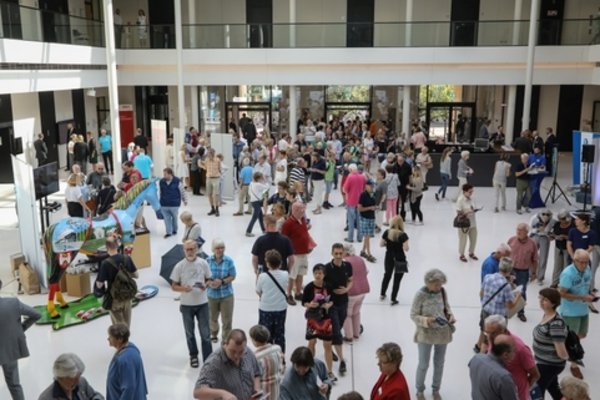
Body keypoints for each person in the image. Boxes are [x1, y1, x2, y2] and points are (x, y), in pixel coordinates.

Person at [410, 269, 455, 400]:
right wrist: (426, 320)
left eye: (440, 284)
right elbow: (413, 315)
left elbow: (447, 307)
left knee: (439, 363)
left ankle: (436, 389)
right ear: (428, 282)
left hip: (442, 333)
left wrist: (450, 316)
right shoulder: (420, 295)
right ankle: (419, 390)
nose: (439, 287)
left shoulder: (442, 291)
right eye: (436, 284)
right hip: (425, 334)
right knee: (423, 364)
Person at [170, 240, 213, 368]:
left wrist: (206, 284)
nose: (190, 252)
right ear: (184, 251)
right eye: (187, 249)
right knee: (189, 332)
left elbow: (209, 279)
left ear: (197, 249)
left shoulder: (203, 263)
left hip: (202, 303)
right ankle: (193, 355)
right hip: (186, 305)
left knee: (205, 333)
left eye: (192, 249)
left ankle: (208, 358)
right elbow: (173, 286)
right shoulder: (179, 266)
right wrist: (183, 289)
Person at [0, 279, 41, 400]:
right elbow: (36, 314)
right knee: (14, 384)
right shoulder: (13, 303)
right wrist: (20, 329)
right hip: (9, 350)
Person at [482, 315, 539, 400]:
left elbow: (535, 375)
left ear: (503, 330)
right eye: (487, 332)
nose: (489, 336)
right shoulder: (492, 339)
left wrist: (521, 391)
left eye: (493, 333)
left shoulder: (520, 348)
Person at [193, 329, 262, 400]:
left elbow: (256, 373)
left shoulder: (247, 352)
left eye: (241, 352)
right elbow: (198, 392)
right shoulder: (214, 363)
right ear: (225, 344)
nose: (237, 356)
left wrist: (257, 389)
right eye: (233, 351)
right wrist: (223, 393)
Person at [558, 249, 594, 379]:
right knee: (573, 339)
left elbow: (586, 284)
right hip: (570, 311)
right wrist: (581, 297)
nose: (584, 265)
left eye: (586, 262)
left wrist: (589, 295)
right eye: (582, 262)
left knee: (581, 334)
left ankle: (561, 346)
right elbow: (561, 293)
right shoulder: (568, 274)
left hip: (583, 309)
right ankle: (574, 364)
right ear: (575, 260)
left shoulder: (587, 269)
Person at [476, 258, 521, 354]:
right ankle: (492, 357)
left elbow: (481, 293)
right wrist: (517, 296)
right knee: (497, 339)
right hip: (498, 317)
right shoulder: (506, 286)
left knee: (486, 336)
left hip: (486, 311)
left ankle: (481, 356)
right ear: (509, 270)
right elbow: (510, 306)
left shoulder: (487, 277)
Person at [533, 288, 569, 399]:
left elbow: (561, 352)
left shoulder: (556, 324)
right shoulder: (547, 315)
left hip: (549, 365)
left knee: (537, 391)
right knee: (553, 388)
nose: (541, 301)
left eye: (545, 300)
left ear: (553, 303)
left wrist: (567, 357)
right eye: (541, 298)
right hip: (545, 362)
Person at [95, 234, 139, 327]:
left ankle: (121, 340)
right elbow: (136, 275)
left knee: (118, 327)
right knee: (127, 324)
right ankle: (126, 339)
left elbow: (99, 285)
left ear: (106, 248)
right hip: (127, 296)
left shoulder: (105, 263)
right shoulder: (127, 258)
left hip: (114, 298)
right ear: (118, 245)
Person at [324, 243, 353, 378]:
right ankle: (342, 360)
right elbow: (322, 286)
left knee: (340, 325)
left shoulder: (348, 266)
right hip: (332, 304)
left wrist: (347, 289)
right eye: (336, 253)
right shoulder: (326, 268)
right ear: (332, 253)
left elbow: (351, 280)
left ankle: (335, 345)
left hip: (344, 302)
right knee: (336, 330)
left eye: (340, 253)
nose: (338, 256)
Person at [302, 264, 335, 381]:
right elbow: (304, 302)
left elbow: (332, 300)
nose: (318, 275)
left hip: (325, 318)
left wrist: (328, 304)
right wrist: (310, 304)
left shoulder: (329, 286)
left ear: (324, 274)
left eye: (320, 273)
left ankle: (330, 371)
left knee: (328, 345)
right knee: (311, 342)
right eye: (316, 273)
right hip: (312, 318)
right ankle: (310, 367)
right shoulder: (309, 287)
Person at [255, 250, 289, 353]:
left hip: (266, 308)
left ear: (267, 263)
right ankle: (281, 358)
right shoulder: (285, 274)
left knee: (265, 335)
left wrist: (257, 276)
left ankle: (266, 357)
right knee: (279, 334)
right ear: (280, 262)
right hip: (280, 308)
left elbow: (258, 291)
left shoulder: (262, 276)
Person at [281, 201, 315, 302]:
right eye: (301, 209)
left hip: (304, 253)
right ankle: (289, 294)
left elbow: (304, 234)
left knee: (301, 274)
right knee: (292, 276)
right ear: (295, 210)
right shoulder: (288, 224)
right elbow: (284, 239)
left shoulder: (303, 220)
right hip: (294, 255)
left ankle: (298, 293)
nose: (303, 211)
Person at [468, 334, 519, 400]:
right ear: (505, 354)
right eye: (514, 351)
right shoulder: (504, 377)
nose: (515, 354)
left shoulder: (477, 357)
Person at [106, 323, 148, 400]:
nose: (108, 339)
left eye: (111, 337)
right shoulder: (132, 350)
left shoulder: (125, 360)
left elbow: (129, 388)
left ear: (120, 339)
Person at [206, 239, 236, 343]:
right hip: (211, 295)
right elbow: (204, 276)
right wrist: (209, 282)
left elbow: (233, 276)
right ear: (213, 249)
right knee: (212, 317)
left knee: (227, 320)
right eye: (217, 248)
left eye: (222, 247)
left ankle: (226, 339)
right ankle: (213, 333)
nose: (220, 250)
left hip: (226, 295)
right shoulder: (207, 261)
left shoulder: (229, 261)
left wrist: (222, 281)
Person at [38, 353, 104, 400]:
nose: (77, 381)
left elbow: (96, 395)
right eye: (73, 378)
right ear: (60, 377)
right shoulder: (46, 398)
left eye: (79, 376)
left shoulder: (82, 382)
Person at [508, 223, 539, 322]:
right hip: (511, 270)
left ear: (526, 232)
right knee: (508, 290)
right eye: (517, 229)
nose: (518, 232)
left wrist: (534, 273)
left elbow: (535, 259)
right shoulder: (511, 240)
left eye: (520, 230)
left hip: (523, 271)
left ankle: (521, 312)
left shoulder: (532, 243)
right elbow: (506, 254)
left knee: (521, 291)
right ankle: (508, 309)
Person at [249, 325, 285, 400]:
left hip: (264, 393)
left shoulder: (255, 358)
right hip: (277, 389)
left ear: (254, 340)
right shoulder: (278, 349)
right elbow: (282, 366)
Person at [342, 243, 369, 342]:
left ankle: (349, 336)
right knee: (356, 313)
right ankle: (356, 333)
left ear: (345, 251)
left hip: (351, 292)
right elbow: (366, 272)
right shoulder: (360, 259)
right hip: (363, 291)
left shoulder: (345, 262)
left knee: (347, 314)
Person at [380, 215, 409, 306]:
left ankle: (382, 293)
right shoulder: (403, 235)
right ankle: (393, 298)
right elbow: (406, 248)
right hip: (400, 258)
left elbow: (381, 244)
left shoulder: (387, 232)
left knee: (387, 274)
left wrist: (388, 245)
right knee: (397, 279)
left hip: (389, 256)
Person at [159, 167, 188, 239]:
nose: (164, 176)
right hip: (164, 204)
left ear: (170, 174)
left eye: (165, 174)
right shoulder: (161, 181)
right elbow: (160, 192)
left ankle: (175, 230)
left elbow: (182, 191)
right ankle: (169, 232)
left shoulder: (177, 181)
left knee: (174, 218)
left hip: (174, 204)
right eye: (163, 174)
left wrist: (185, 200)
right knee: (166, 219)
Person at [530, 209, 554, 284]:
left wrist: (548, 234)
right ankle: (531, 274)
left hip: (545, 238)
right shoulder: (534, 218)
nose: (545, 216)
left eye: (547, 215)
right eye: (543, 214)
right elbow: (530, 228)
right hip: (535, 236)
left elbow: (554, 233)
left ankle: (540, 277)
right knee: (531, 256)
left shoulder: (553, 221)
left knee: (543, 258)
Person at [343, 163, 366, 242]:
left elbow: (345, 189)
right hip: (360, 201)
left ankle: (350, 238)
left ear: (350, 170)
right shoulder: (362, 177)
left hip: (351, 201)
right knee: (360, 220)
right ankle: (360, 237)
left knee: (351, 220)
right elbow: (363, 188)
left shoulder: (350, 177)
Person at [455, 183, 478, 262]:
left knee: (474, 238)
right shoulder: (460, 199)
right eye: (470, 192)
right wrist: (466, 212)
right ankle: (461, 254)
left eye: (472, 191)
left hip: (473, 222)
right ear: (464, 192)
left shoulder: (472, 198)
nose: (471, 193)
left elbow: (474, 207)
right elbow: (458, 212)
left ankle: (471, 252)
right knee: (463, 239)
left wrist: (473, 210)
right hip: (464, 223)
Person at [551, 210, 574, 288]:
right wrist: (554, 236)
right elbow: (553, 234)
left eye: (563, 218)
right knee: (557, 266)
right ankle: (555, 282)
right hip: (558, 247)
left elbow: (575, 237)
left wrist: (565, 237)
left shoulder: (572, 226)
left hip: (568, 248)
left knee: (566, 266)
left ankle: (564, 285)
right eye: (560, 218)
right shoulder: (557, 224)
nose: (562, 220)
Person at [358, 179, 377, 262]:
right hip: (365, 218)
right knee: (367, 236)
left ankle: (363, 251)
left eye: (373, 186)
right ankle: (369, 253)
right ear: (366, 186)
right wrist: (370, 208)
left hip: (371, 217)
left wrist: (375, 207)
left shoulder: (372, 194)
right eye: (371, 186)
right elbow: (360, 208)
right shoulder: (363, 195)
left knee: (368, 237)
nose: (372, 187)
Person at [200, 148, 222, 217]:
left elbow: (219, 169)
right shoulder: (206, 160)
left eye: (209, 154)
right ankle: (212, 208)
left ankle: (217, 209)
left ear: (212, 154)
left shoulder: (217, 160)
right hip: (209, 178)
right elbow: (205, 167)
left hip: (216, 178)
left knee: (216, 195)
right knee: (209, 194)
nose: (207, 155)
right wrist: (201, 165)